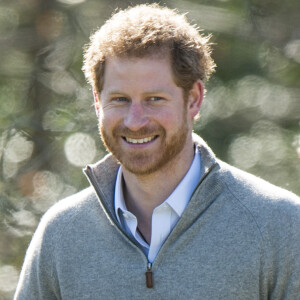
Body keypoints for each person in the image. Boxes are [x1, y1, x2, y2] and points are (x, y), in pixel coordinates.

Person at [14, 4, 300, 299]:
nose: (135, 121)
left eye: (154, 99)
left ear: (193, 100)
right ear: (98, 102)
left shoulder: (279, 225)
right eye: (121, 99)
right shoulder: (61, 234)